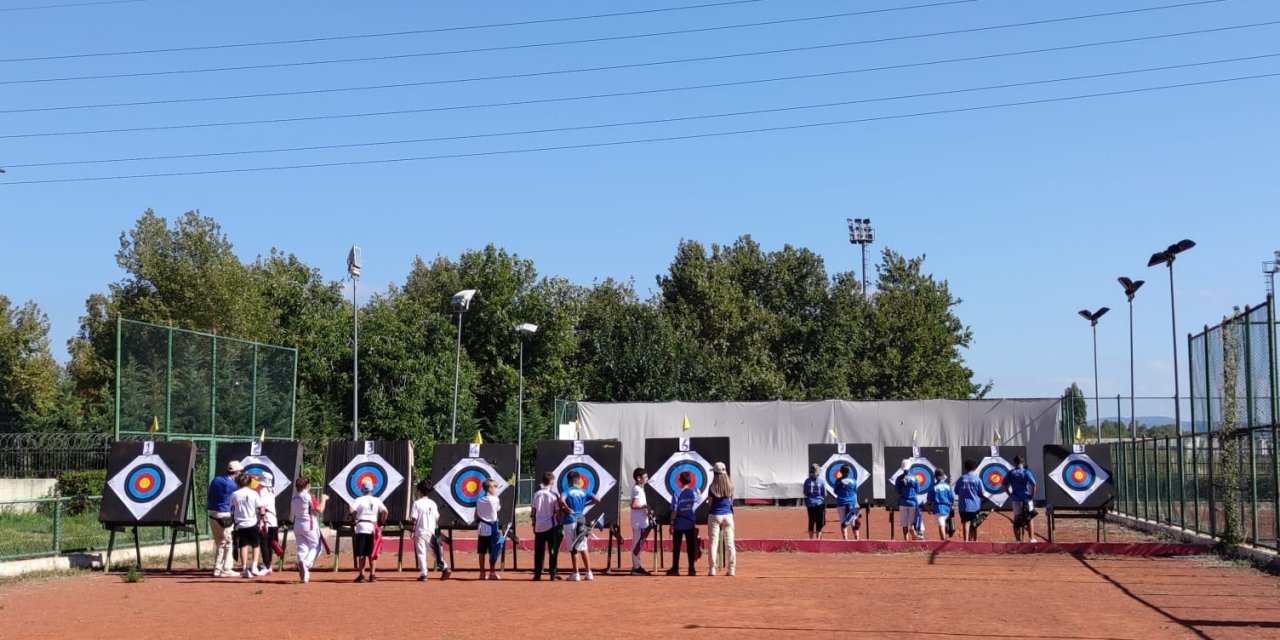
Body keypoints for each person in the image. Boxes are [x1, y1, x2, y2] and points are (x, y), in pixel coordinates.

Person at [561, 470, 601, 581]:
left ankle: (576, 573)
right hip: (581, 519)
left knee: (573, 547)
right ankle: (589, 572)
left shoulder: (567, 491)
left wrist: (567, 508)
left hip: (570, 520)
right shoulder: (584, 491)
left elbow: (561, 500)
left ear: (568, 481)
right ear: (579, 480)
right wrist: (586, 504)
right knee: (583, 546)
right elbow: (598, 499)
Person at [290, 475, 328, 584]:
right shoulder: (308, 496)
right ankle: (305, 563)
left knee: (303, 548)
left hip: (298, 525)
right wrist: (323, 499)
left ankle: (304, 576)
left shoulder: (294, 496)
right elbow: (319, 510)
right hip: (310, 525)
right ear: (308, 486)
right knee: (317, 547)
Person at [207, 460, 241, 577]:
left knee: (220, 543)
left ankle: (217, 569)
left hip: (212, 514)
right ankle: (226, 569)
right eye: (239, 472)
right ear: (236, 473)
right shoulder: (232, 485)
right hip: (224, 515)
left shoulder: (216, 480)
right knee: (228, 542)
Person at [349, 478, 388, 582]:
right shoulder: (377, 500)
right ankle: (372, 575)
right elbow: (385, 511)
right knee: (373, 552)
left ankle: (361, 575)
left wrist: (352, 519)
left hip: (361, 526)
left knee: (361, 553)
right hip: (373, 527)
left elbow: (351, 510)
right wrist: (381, 522)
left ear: (362, 489)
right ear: (372, 489)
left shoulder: (358, 500)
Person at [229, 472, 265, 578]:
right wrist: (262, 520)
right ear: (249, 482)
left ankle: (244, 568)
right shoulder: (254, 494)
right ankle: (254, 566)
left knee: (243, 546)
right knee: (256, 545)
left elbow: (231, 506)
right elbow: (261, 508)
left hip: (240, 524)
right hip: (252, 523)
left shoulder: (234, 494)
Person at [530, 471, 562, 581]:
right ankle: (553, 574)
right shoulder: (554, 495)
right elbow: (557, 512)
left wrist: (534, 524)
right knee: (552, 550)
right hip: (551, 526)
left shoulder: (536, 494)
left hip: (539, 526)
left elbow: (533, 511)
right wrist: (559, 524)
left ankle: (537, 574)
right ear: (552, 481)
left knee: (539, 551)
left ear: (543, 481)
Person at [666, 470, 699, 576]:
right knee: (690, 546)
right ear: (691, 480)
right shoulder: (694, 492)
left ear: (679, 481)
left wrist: (671, 524)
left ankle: (675, 568)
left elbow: (674, 510)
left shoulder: (677, 493)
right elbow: (698, 501)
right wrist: (698, 493)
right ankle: (691, 569)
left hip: (679, 523)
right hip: (689, 523)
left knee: (677, 547)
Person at [706, 462, 736, 577]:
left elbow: (710, 503)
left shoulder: (712, 487)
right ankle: (731, 569)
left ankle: (712, 569)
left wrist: (709, 503)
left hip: (715, 514)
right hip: (728, 515)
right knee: (730, 543)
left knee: (713, 543)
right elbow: (731, 501)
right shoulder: (731, 485)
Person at [408, 480, 441, 582]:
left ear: (419, 491)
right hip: (430, 531)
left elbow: (414, 519)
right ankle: (444, 567)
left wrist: (412, 531)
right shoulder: (433, 503)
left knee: (421, 553)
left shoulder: (417, 503)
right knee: (434, 551)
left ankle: (424, 573)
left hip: (420, 531)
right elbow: (437, 517)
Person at [1002, 455, 1038, 542]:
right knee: (1029, 518)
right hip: (1026, 499)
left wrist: (1009, 494)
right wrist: (1032, 495)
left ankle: (1018, 540)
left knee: (1017, 519)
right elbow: (1033, 484)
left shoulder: (1011, 473)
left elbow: (1004, 484)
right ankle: (1031, 539)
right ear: (1023, 462)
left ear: (1014, 463)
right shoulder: (1026, 472)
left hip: (1015, 499)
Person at [475, 479, 503, 580]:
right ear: (490, 488)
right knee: (493, 551)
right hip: (492, 528)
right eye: (494, 487)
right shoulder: (495, 499)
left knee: (482, 551)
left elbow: (476, 516)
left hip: (482, 528)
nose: (495, 489)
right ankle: (492, 572)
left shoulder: (479, 500)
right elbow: (497, 509)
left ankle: (482, 573)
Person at [629, 468, 653, 575]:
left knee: (639, 543)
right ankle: (636, 567)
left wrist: (646, 509)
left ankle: (637, 565)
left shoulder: (639, 489)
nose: (647, 479)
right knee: (637, 543)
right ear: (639, 478)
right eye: (645, 477)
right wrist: (645, 506)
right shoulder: (637, 489)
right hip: (639, 522)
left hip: (640, 520)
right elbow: (634, 505)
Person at [953, 459, 984, 542]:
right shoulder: (977, 479)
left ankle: (966, 542)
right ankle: (975, 541)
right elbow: (982, 492)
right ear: (975, 468)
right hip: (975, 506)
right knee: (974, 524)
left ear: (965, 468)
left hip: (963, 506)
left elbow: (956, 491)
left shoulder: (961, 479)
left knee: (966, 523)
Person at [255, 472, 279, 575]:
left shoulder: (263, 491)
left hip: (266, 521)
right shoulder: (272, 490)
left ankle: (266, 565)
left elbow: (262, 507)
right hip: (273, 520)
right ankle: (269, 565)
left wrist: (261, 520)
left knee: (264, 543)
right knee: (269, 544)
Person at [894, 460, 921, 541]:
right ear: (910, 467)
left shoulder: (899, 478)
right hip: (912, 502)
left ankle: (906, 540)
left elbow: (897, 491)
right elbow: (918, 490)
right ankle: (912, 527)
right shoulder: (915, 478)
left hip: (902, 502)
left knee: (904, 523)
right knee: (912, 521)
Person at [928, 470, 956, 541]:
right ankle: (945, 537)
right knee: (944, 523)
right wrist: (952, 505)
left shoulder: (934, 487)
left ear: (935, 477)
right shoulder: (948, 486)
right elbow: (952, 498)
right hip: (947, 508)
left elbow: (930, 500)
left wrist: (929, 508)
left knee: (941, 525)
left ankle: (943, 541)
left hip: (939, 508)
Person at [802, 463, 826, 540]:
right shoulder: (821, 481)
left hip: (810, 503)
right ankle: (818, 539)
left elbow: (805, 492)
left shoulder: (807, 481)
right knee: (819, 520)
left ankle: (811, 539)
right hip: (819, 502)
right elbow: (824, 493)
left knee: (811, 520)